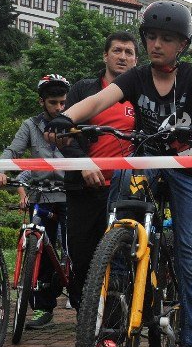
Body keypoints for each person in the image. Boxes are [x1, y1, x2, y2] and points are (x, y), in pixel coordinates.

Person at [46, 0, 192, 347]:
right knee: (118, 230)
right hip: (144, 161)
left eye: (167, 38)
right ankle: (117, 299)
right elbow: (98, 99)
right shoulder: (138, 77)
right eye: (152, 37)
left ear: (182, 44)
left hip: (188, 169)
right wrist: (68, 118)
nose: (157, 44)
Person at [58, 33, 138, 310]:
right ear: (105, 56)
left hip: (124, 191)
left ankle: (115, 324)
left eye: (129, 52)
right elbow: (64, 133)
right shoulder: (84, 90)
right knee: (82, 257)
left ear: (136, 60)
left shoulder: (141, 96)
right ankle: (86, 317)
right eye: (117, 50)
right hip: (84, 188)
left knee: (121, 257)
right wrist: (83, 164)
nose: (123, 56)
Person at [0, 74, 71, 328]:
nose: (59, 108)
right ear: (41, 102)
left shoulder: (74, 121)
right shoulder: (30, 125)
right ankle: (43, 307)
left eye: (63, 103)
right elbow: (13, 150)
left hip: (70, 194)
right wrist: (0, 169)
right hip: (42, 195)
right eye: (53, 103)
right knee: (38, 248)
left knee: (75, 250)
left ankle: (84, 303)